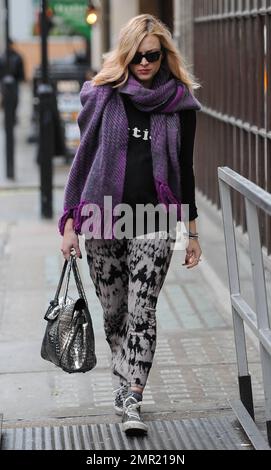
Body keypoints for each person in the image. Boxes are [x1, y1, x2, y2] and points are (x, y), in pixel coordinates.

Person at [59, 14, 202, 435]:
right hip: (102, 217)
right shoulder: (104, 95)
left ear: (164, 56)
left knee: (143, 311)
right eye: (137, 56)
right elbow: (82, 161)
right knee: (115, 312)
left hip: (154, 218)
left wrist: (192, 232)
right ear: (125, 54)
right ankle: (124, 386)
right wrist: (70, 222)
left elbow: (187, 172)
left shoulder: (180, 101)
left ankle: (133, 395)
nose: (144, 63)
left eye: (152, 56)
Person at [0, 38, 25, 123]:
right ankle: (8, 117)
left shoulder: (16, 57)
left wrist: (21, 78)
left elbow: (20, 70)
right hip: (4, 83)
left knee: (15, 100)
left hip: (14, 82)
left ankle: (13, 117)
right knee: (6, 100)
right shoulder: (3, 57)